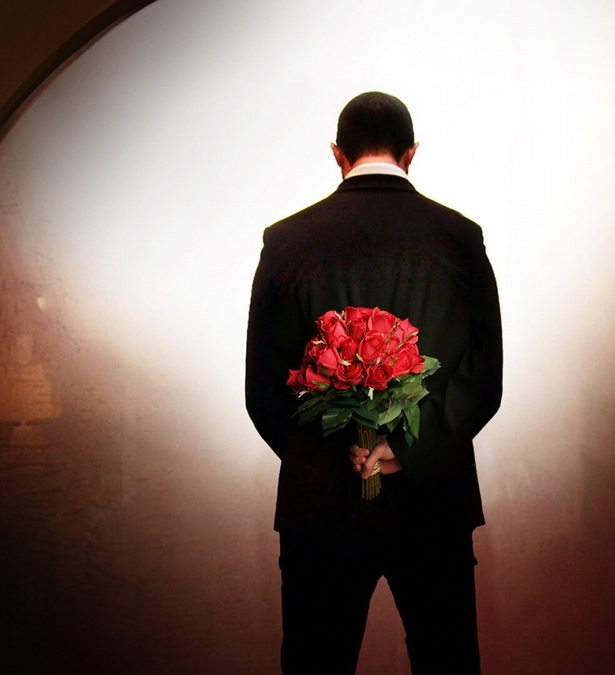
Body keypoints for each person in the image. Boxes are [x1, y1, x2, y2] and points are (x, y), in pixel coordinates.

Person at [244, 91, 503, 675]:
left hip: (322, 509)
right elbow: (484, 378)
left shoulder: (285, 241)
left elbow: (263, 389)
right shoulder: (459, 237)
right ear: (411, 153)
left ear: (337, 154)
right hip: (434, 503)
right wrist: (405, 451)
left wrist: (337, 458)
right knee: (446, 665)